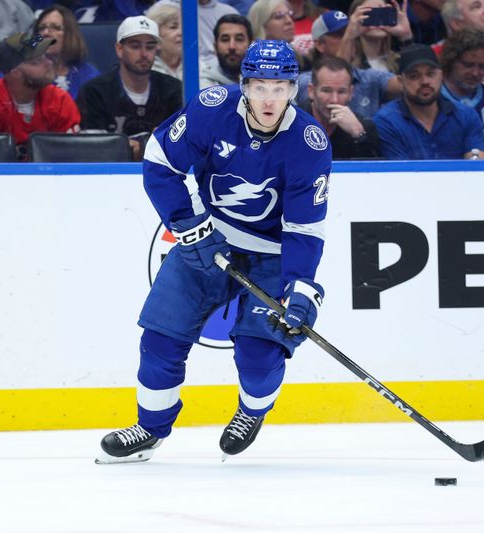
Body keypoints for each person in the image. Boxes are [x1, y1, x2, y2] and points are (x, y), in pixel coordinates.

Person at [96, 40, 331, 464]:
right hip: (207, 240)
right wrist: (187, 224)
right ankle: (149, 428)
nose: (269, 99)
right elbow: (159, 160)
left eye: (279, 88)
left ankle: (251, 411)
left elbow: (303, 228)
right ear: (243, 85)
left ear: (294, 89)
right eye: (260, 87)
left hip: (270, 256)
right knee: (160, 339)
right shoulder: (211, 108)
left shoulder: (308, 144)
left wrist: (300, 287)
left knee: (260, 353)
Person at [77, 15, 183, 161]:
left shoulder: (173, 88)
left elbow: (183, 145)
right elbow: (92, 149)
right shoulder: (94, 91)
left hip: (161, 172)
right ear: (119, 49)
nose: (144, 54)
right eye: (135, 46)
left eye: (150, 46)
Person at [0, 31, 81, 160]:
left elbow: (72, 158)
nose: (49, 63)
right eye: (36, 61)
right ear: (15, 73)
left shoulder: (59, 99)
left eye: (46, 56)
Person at [373, 43, 484, 159]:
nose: (425, 81)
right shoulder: (386, 121)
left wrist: (475, 160)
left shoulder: (466, 115)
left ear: (441, 76)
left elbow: (478, 164)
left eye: (431, 74)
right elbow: (400, 174)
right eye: (414, 76)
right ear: (401, 82)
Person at [296, 10, 401, 120]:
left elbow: (409, 85)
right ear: (320, 44)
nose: (351, 39)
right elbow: (335, 73)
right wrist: (349, 36)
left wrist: (406, 38)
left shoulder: (368, 78)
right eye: (339, 35)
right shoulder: (305, 81)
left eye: (351, 33)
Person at [304, 55, 380, 158]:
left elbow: (373, 171)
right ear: (311, 91)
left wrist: (359, 135)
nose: (334, 100)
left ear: (351, 93)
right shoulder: (288, 124)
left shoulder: (364, 127)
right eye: (326, 91)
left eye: (341, 92)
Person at [439, 27, 484, 133]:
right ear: (451, 60)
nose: (475, 73)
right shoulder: (431, 99)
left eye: (482, 66)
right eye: (468, 65)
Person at [34, 5, 100, 100]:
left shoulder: (89, 74)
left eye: (56, 27)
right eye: (41, 28)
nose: (46, 32)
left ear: (70, 34)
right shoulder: (27, 73)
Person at [338, 0, 413, 73]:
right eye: (370, 14)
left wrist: (406, 36)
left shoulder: (397, 60)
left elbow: (414, 77)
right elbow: (338, 75)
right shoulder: (349, 61)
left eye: (382, 14)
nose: (378, 20)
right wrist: (349, 36)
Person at [200, 13, 252, 88]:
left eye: (239, 39)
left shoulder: (264, 80)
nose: (232, 46)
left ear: (251, 46)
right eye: (225, 40)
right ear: (215, 46)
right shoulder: (203, 85)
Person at [147, 3, 182, 81]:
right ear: (156, 35)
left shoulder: (200, 67)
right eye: (173, 27)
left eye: (184, 26)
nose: (181, 32)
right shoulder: (146, 70)